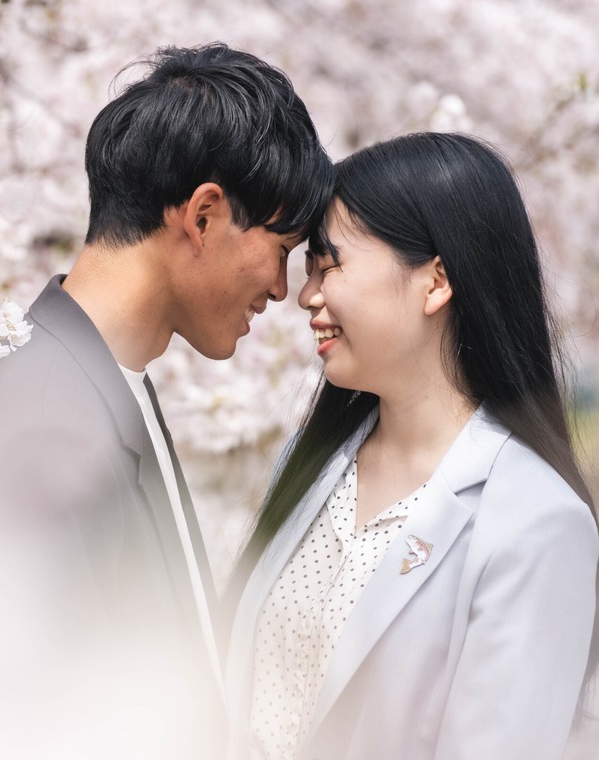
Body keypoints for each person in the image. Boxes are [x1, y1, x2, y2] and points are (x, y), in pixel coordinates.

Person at [0, 42, 331, 758]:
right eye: (283, 247)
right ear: (204, 216)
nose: (280, 289)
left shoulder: (97, 379)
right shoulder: (43, 418)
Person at [223, 132, 599, 760]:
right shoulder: (310, 463)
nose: (307, 295)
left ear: (436, 282)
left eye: (328, 263)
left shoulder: (536, 520)